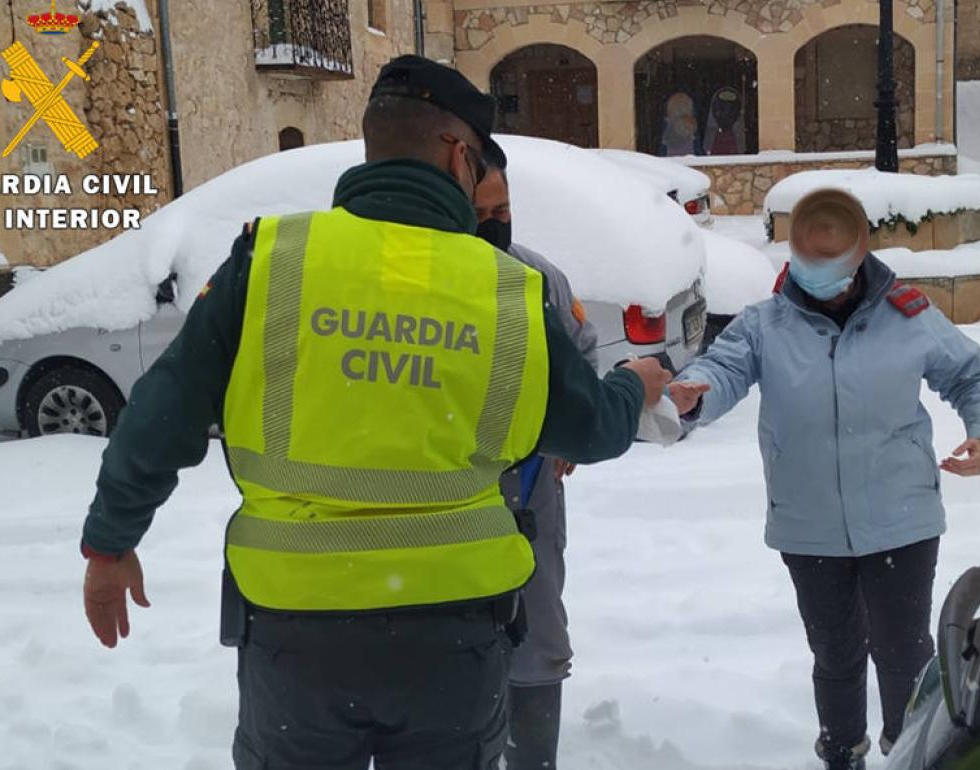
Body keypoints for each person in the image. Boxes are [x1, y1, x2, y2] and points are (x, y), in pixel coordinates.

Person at [78, 55, 672, 770]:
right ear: (458, 152)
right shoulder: (506, 290)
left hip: (297, 638)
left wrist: (110, 543)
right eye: (479, 160)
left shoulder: (270, 259)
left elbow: (160, 413)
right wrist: (637, 382)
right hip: (454, 639)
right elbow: (593, 429)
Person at [668, 188, 980, 770]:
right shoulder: (764, 324)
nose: (815, 276)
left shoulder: (908, 315)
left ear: (857, 263)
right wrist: (693, 392)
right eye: (806, 263)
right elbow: (721, 370)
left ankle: (910, 752)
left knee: (905, 655)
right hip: (809, 525)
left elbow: (974, 373)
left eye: (829, 267)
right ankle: (842, 753)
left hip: (902, 520)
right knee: (835, 655)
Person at [474, 159, 595, 770]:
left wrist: (568, 435)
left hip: (532, 494)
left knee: (539, 632)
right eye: (480, 215)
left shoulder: (538, 277)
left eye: (503, 213)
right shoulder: (416, 284)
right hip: (446, 499)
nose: (495, 226)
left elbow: (583, 354)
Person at [702, 87, 746, 156]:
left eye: (731, 110)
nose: (726, 113)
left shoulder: (738, 137)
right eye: (722, 108)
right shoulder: (711, 136)